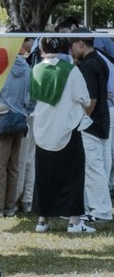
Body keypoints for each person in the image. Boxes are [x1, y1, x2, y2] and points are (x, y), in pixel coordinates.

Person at [31, 35, 94, 235]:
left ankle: (42, 220)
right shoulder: (71, 70)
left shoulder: (36, 69)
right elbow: (84, 97)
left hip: (42, 129)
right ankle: (74, 222)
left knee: (44, 176)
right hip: (67, 129)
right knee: (73, 175)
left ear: (41, 50)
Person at [0, 40, 35, 217]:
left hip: (2, 119)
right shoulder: (26, 67)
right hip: (20, 120)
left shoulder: (1, 66)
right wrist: (24, 112)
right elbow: (31, 97)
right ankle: (10, 206)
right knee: (13, 166)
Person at [69, 33, 112, 221]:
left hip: (90, 124)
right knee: (101, 167)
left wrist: (82, 118)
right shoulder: (101, 61)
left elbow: (91, 100)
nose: (71, 51)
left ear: (80, 43)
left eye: (73, 46)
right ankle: (98, 207)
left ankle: (100, 210)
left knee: (93, 168)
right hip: (103, 121)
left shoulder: (87, 66)